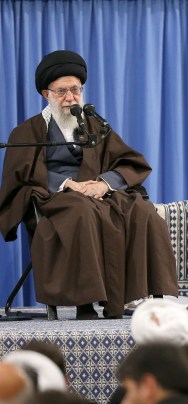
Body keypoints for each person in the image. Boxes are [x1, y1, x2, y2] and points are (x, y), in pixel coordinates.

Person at [0, 50, 178, 319]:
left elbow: (129, 162)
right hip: (57, 197)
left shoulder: (95, 125)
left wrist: (104, 184)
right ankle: (85, 302)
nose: (70, 98)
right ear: (46, 94)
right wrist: (67, 183)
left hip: (99, 194)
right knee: (82, 212)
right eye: (61, 91)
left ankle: (154, 297)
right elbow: (22, 174)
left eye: (75, 90)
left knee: (143, 212)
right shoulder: (28, 131)